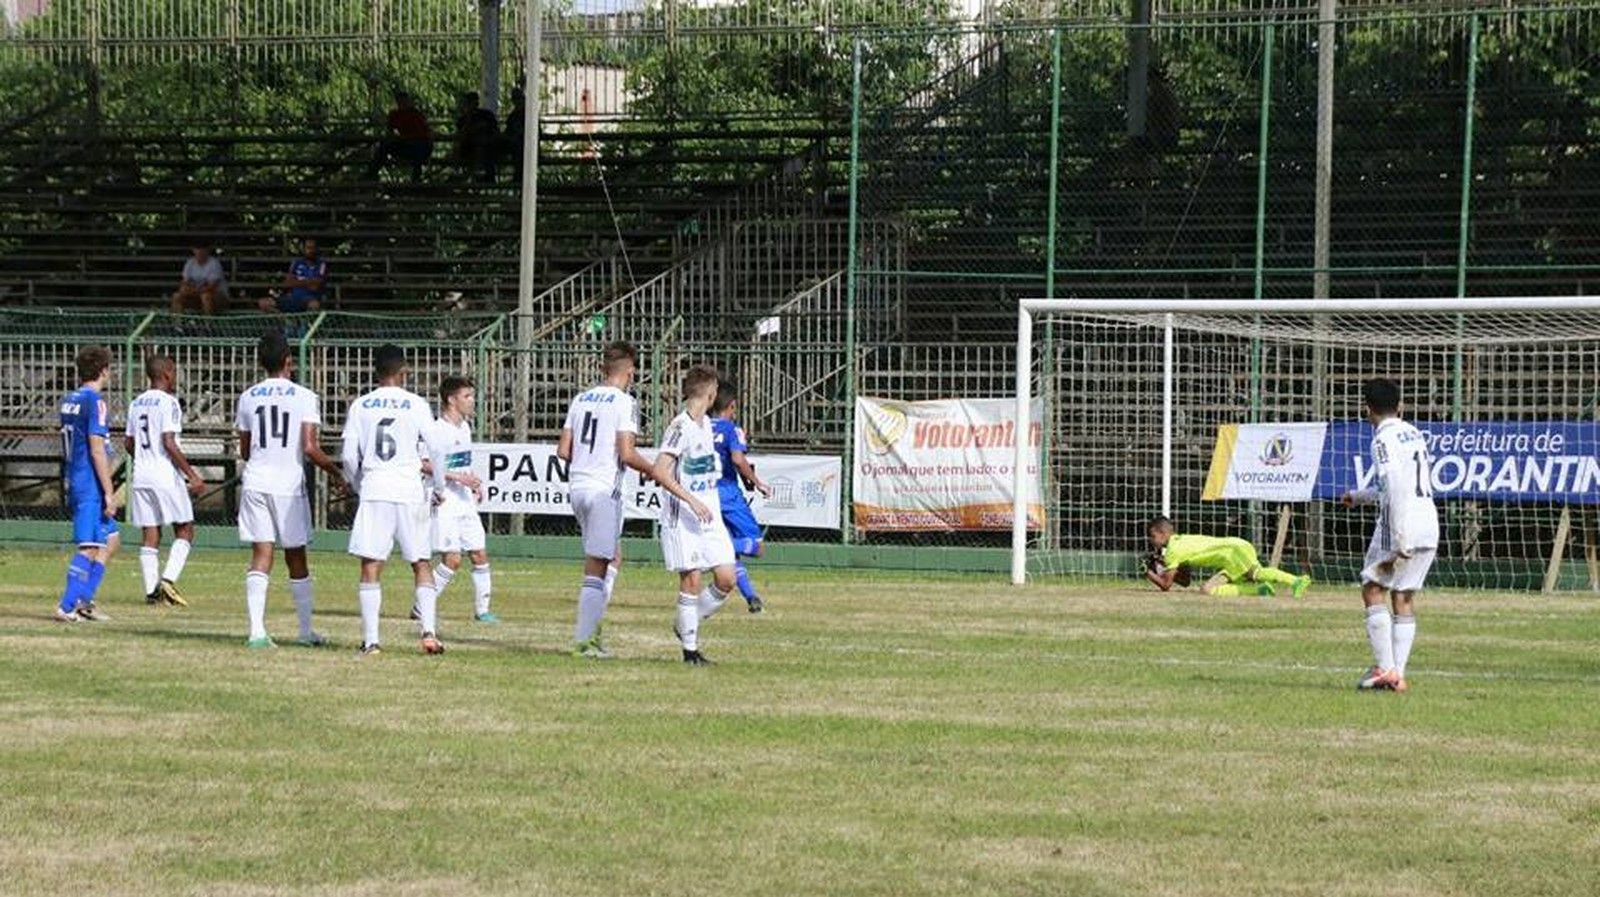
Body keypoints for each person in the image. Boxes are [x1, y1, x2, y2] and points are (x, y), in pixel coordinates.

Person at [558, 341, 703, 659]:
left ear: (603, 368)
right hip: (603, 490)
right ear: (631, 371)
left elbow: (564, 451)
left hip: (577, 486)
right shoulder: (625, 402)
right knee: (597, 566)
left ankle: (592, 632)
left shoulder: (580, 399)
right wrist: (653, 470)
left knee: (612, 557)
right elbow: (626, 453)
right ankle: (585, 640)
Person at [236, 331, 347, 648]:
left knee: (261, 553)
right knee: (295, 555)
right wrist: (336, 473)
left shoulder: (248, 396)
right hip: (287, 485)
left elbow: (245, 450)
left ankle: (257, 632)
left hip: (256, 481)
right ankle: (305, 631)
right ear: (289, 361)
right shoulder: (304, 396)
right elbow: (309, 447)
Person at [341, 344, 446, 656]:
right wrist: (439, 486)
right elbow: (436, 449)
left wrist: (357, 483)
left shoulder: (361, 404)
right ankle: (429, 632)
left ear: (376, 371)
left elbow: (349, 456)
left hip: (376, 487)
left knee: (371, 564)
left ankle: (372, 641)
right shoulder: (416, 404)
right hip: (409, 488)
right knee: (421, 562)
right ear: (404, 371)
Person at [1341, 378, 1438, 693]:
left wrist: (1399, 538)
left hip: (1402, 522)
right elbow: (1398, 483)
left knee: (1372, 588)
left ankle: (1385, 668)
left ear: (1367, 409)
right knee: (1403, 596)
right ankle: (1398, 675)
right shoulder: (1414, 433)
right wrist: (1359, 496)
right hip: (1428, 521)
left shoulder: (1382, 440)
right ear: (1400, 406)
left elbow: (1394, 486)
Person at [656, 365, 734, 666]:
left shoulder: (707, 425)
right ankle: (690, 651)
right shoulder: (680, 426)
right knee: (691, 579)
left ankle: (685, 623)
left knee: (726, 579)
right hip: (684, 517)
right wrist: (691, 500)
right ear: (711, 394)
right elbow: (660, 471)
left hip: (709, 516)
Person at [124, 354, 205, 608]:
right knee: (185, 528)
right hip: (164, 474)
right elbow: (168, 442)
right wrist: (192, 475)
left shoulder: (136, 403)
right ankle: (168, 581)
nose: (176, 377)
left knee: (150, 533)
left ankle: (152, 593)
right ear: (167, 374)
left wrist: (144, 458)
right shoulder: (169, 402)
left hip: (141, 475)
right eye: (175, 372)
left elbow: (129, 443)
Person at [54, 345, 120, 623]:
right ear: (103, 370)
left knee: (111, 539)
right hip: (89, 482)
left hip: (75, 475)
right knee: (90, 546)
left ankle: (84, 600)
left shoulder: (69, 399)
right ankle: (67, 606)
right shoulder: (96, 401)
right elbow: (96, 449)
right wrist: (109, 491)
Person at [428, 375, 497, 624]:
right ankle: (422, 606)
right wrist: (457, 477)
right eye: (466, 396)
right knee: (453, 559)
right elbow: (424, 464)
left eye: (472, 396)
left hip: (464, 499)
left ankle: (482, 611)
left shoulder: (464, 428)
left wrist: (473, 482)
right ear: (451, 399)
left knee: (479, 554)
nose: (471, 401)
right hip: (445, 500)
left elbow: (462, 463)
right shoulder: (436, 430)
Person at [710, 380, 772, 613]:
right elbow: (737, 459)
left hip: (706, 494)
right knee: (756, 546)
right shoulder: (732, 429)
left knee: (731, 555)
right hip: (728, 494)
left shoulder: (701, 426)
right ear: (732, 406)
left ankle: (752, 598)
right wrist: (757, 482)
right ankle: (710, 549)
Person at [1144, 516, 1311, 598]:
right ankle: (1261, 590)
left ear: (1162, 533)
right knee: (1207, 590)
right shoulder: (1178, 543)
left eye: (1152, 536)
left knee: (1256, 573)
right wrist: (1163, 566)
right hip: (1233, 551)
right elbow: (1186, 581)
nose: (1151, 541)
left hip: (1233, 551)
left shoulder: (1173, 550)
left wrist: (1148, 572)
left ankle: (1297, 581)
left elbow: (1166, 585)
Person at [369, 90, 434, 182]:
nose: (403, 104)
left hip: (420, 145)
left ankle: (416, 178)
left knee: (418, 151)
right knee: (384, 147)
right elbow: (390, 132)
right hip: (407, 145)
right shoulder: (395, 115)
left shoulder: (416, 114)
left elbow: (425, 134)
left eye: (405, 101)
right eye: (400, 101)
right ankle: (372, 173)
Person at [259, 238, 328, 314]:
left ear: (316, 249)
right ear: (303, 249)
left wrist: (296, 282)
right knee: (263, 303)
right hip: (293, 297)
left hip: (310, 299)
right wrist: (309, 282)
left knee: (315, 305)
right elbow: (288, 283)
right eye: (308, 248)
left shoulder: (321, 264)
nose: (310, 251)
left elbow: (315, 286)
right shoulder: (296, 263)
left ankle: (304, 321)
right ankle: (284, 319)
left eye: (312, 248)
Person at [453, 91, 499, 182]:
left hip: (487, 147)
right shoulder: (463, 119)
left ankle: (483, 175)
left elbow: (494, 130)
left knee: (483, 147)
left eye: (473, 102)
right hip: (468, 148)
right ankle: (460, 174)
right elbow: (461, 134)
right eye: (468, 103)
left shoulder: (486, 115)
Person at [171, 244, 227, 315]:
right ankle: (178, 321)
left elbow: (212, 287)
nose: (200, 251)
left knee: (206, 297)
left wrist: (194, 290)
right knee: (177, 296)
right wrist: (186, 289)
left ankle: (208, 321)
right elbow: (185, 282)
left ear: (207, 250)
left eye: (202, 249)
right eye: (197, 249)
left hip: (217, 296)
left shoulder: (214, 264)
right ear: (193, 250)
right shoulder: (190, 263)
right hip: (196, 295)